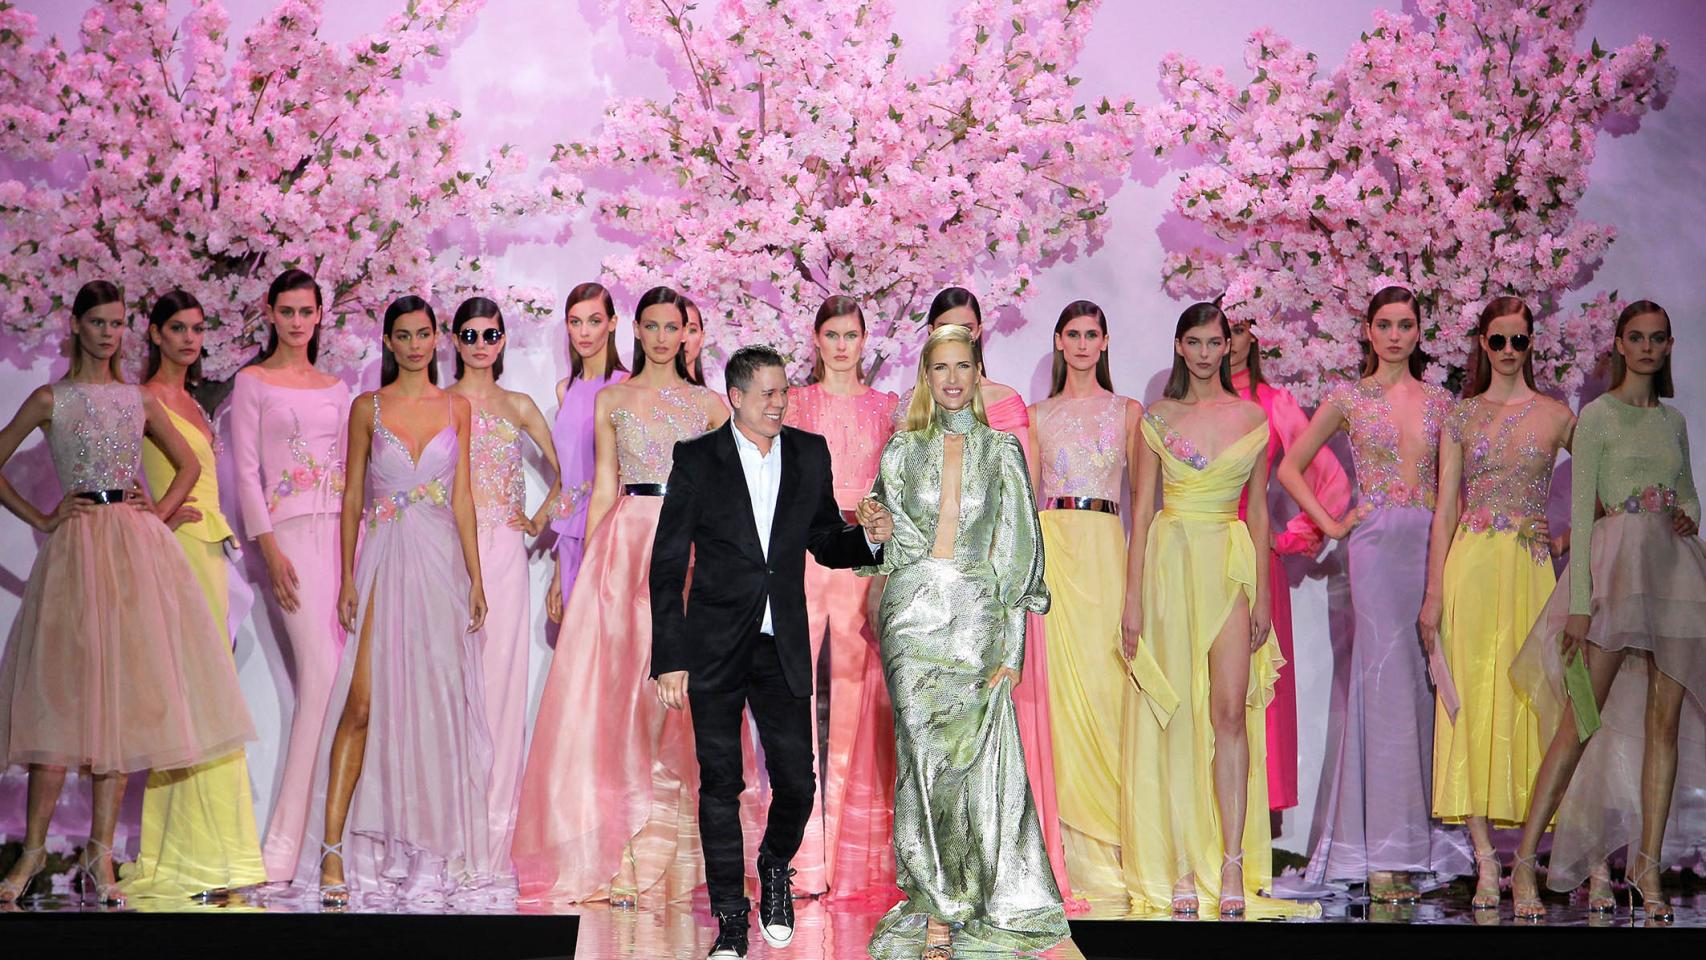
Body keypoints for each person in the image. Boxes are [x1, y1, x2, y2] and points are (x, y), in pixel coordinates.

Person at [0, 281, 254, 905]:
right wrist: (41, 517)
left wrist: (158, 513)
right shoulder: (51, 398)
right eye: (98, 322)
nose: (109, 334)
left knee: (119, 703)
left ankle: (101, 854)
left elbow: (190, 466)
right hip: (76, 551)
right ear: (76, 325)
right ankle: (33, 851)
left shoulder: (137, 398)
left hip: (134, 551)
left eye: (117, 324)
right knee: (60, 701)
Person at [651, 344, 891, 958]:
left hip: (780, 641)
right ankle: (731, 921)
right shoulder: (697, 458)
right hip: (713, 646)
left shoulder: (809, 453)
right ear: (736, 397)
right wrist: (670, 656)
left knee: (797, 782)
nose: (780, 403)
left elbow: (825, 540)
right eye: (767, 394)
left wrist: (866, 538)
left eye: (784, 391)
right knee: (719, 784)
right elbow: (668, 563)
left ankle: (775, 864)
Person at [512, 286, 731, 904]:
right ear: (637, 331)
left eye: (672, 327)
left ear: (688, 333)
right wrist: (585, 574)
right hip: (625, 549)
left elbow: (726, 498)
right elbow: (605, 487)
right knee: (621, 701)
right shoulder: (612, 399)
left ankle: (672, 854)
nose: (661, 337)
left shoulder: (710, 407)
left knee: (679, 703)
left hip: (689, 551)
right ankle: (622, 854)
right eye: (651, 326)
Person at [858, 323, 1069, 959]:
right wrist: (873, 526)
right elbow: (883, 546)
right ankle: (938, 910)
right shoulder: (901, 449)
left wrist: (1014, 649)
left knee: (965, 765)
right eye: (940, 368)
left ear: (978, 373)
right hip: (911, 615)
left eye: (962, 366)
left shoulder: (1003, 451)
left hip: (976, 619)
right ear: (927, 376)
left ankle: (971, 896)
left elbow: (1020, 555)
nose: (952, 378)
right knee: (921, 760)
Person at [1508, 300, 1705, 922]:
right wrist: (1579, 606)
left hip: (1672, 574)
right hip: (1614, 577)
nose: (1646, 347)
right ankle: (1524, 863)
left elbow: (1690, 496)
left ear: (1668, 346)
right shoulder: (1596, 417)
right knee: (1581, 722)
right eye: (1635, 337)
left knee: (1663, 726)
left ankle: (1647, 867)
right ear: (1619, 344)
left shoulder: (1673, 421)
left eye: (1656, 338)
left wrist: (1687, 515)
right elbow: (1584, 515)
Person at [299, 295, 493, 905]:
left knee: (435, 705)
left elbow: (462, 498)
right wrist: (347, 579)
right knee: (361, 703)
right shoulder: (368, 407)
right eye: (403, 335)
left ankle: (426, 852)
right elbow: (352, 498)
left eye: (423, 334)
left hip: (441, 565)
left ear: (437, 338)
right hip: (384, 560)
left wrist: (477, 577)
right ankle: (332, 850)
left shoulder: (457, 407)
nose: (414, 345)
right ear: (388, 341)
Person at [1120, 302, 1309, 919]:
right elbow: (1141, 512)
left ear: (1229, 347)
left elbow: (1259, 512)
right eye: (1194, 342)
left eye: (1214, 342)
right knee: (1178, 716)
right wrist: (1132, 599)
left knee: (1229, 713)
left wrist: (1263, 596)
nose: (1205, 353)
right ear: (1180, 346)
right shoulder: (1157, 417)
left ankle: (1231, 861)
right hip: (1171, 566)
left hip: (1229, 566)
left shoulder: (1251, 417)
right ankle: (1180, 862)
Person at [1279, 286, 1469, 901]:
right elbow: (1289, 467)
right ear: (1367, 330)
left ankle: (1424, 849)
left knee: (1426, 688)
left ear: (1419, 332)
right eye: (1384, 324)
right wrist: (1333, 525)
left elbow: (1451, 496)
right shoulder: (1348, 397)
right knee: (1383, 688)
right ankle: (1382, 858)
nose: (1394, 335)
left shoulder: (1442, 403)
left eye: (1405, 325)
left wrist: (1445, 569)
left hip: (1430, 546)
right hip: (1375, 548)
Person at [1417, 297, 1573, 910]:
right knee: (1472, 702)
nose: (1509, 351)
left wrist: (1565, 536)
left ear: (1532, 344)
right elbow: (1444, 511)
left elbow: (1601, 484)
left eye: (1519, 340)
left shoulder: (1558, 416)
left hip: (1530, 572)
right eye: (1499, 340)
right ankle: (1485, 861)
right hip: (1471, 568)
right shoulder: (1461, 417)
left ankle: (1527, 860)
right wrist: (1433, 595)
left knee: (1536, 700)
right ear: (1483, 343)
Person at [120, 290, 268, 899]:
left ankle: (220, 857)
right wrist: (157, 517)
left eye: (198, 329)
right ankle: (185, 857)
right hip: (178, 555)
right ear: (155, 334)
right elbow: (115, 475)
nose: (189, 339)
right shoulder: (143, 398)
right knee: (189, 699)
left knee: (212, 698)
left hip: (211, 555)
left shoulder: (193, 400)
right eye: (177, 328)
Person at [232, 269, 352, 881]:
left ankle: (336, 841)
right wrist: (270, 549)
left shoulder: (338, 387)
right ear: (270, 314)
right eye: (288, 311)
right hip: (289, 540)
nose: (298, 322)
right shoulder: (251, 381)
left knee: (345, 682)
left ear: (320, 314)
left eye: (307, 311)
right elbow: (245, 473)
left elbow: (354, 468)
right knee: (321, 676)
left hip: (343, 538)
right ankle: (285, 845)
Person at [782, 295, 900, 898]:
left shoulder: (887, 407)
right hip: (806, 549)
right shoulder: (794, 403)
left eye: (850, 335)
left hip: (864, 552)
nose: (841, 346)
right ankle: (800, 857)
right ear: (816, 338)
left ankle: (854, 859)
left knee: (859, 692)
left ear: (864, 339)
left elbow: (900, 488)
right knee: (794, 691)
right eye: (831, 335)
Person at [1028, 300, 1142, 901]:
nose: (1080, 343)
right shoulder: (1037, 416)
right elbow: (1026, 505)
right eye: (1071, 334)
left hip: (1105, 552)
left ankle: (1118, 845)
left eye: (1090, 334)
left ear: (1104, 342)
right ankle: (1066, 852)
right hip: (1055, 552)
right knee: (1057, 700)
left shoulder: (1127, 412)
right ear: (1058, 341)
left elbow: (1144, 506)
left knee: (1107, 691)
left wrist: (1138, 589)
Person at [447, 296, 561, 873]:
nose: (480, 345)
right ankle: (449, 834)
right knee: (449, 690)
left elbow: (570, 476)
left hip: (505, 556)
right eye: (469, 335)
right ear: (454, 340)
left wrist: (538, 520)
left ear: (503, 341)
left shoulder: (517, 404)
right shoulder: (440, 403)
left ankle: (493, 835)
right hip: (447, 553)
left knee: (500, 689)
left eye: (489, 334)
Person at [1227, 314, 1352, 815]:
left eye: (1238, 330)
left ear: (1254, 336)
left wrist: (1289, 538)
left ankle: (1255, 819)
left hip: (1254, 556)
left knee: (1258, 681)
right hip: (1193, 553)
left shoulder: (1273, 402)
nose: (1228, 341)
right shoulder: (1185, 404)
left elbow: (1330, 480)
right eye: (1220, 330)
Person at [547, 282, 628, 620]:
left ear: (612, 323)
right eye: (575, 322)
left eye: (594, 321)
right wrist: (556, 574)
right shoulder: (564, 390)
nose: (584, 332)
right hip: (569, 537)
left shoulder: (626, 386)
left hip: (612, 531)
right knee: (573, 637)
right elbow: (568, 477)